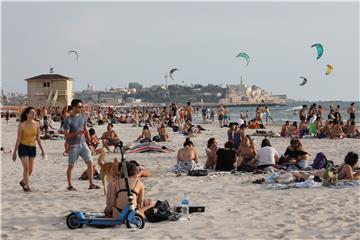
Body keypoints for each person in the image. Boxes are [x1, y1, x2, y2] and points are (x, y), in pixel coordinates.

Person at [64, 99, 100, 191]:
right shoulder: (68, 120)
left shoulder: (83, 117)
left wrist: (90, 143)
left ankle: (91, 184)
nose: (81, 108)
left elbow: (86, 130)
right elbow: (66, 135)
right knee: (71, 166)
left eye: (82, 107)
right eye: (80, 107)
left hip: (83, 144)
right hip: (73, 145)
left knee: (90, 163)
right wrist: (76, 133)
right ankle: (70, 185)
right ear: (74, 107)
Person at [12, 107, 45, 192]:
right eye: (32, 112)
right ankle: (27, 186)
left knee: (30, 170)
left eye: (34, 113)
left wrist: (42, 150)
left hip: (32, 148)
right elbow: (18, 139)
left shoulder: (37, 124)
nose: (34, 114)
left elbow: (38, 139)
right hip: (23, 147)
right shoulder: (22, 125)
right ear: (27, 114)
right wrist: (14, 152)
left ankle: (23, 182)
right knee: (26, 169)